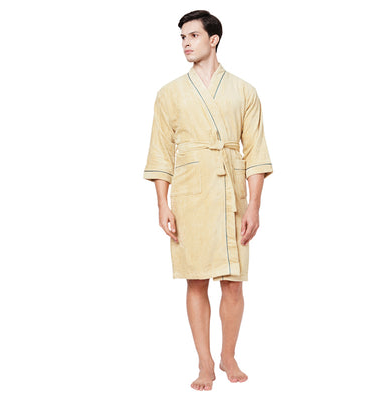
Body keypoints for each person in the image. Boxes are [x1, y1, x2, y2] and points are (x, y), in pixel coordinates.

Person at [143, 10, 273, 391]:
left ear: (213, 39)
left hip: (232, 194)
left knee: (233, 283)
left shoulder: (245, 92)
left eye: (193, 36)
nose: (186, 43)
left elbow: (257, 153)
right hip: (191, 195)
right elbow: (160, 153)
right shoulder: (169, 94)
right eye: (182, 37)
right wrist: (163, 204)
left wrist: (254, 206)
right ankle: (204, 362)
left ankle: (228, 355)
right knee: (196, 280)